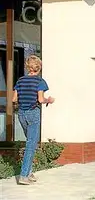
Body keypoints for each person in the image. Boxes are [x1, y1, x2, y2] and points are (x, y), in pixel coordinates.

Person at [12, 55, 55, 185]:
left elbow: (14, 99)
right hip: (33, 113)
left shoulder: (20, 81)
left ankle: (29, 172)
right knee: (31, 144)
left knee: (30, 142)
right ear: (39, 68)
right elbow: (41, 100)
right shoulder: (40, 81)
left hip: (21, 114)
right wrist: (49, 100)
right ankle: (24, 175)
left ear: (27, 67)